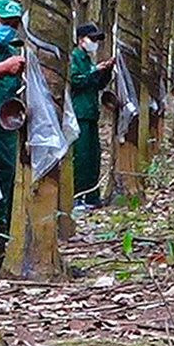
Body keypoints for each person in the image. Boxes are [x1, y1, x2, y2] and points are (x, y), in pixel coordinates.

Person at [0, 0, 28, 263]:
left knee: (6, 176)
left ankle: (1, 234)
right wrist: (1, 70)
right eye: (4, 22)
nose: (9, 29)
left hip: (7, 128)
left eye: (14, 24)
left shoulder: (12, 49)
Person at [69, 23, 115, 208]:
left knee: (93, 157)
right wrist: (95, 70)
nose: (95, 43)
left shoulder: (87, 59)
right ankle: (77, 197)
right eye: (92, 39)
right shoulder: (74, 58)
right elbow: (75, 80)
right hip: (79, 113)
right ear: (81, 40)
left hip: (90, 114)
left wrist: (106, 71)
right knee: (80, 158)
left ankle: (92, 197)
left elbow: (96, 84)